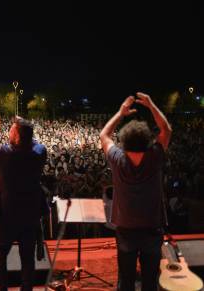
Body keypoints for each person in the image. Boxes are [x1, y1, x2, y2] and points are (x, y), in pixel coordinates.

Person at [100, 93, 172, 291]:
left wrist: (121, 113)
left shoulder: (117, 158)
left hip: (126, 229)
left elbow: (104, 135)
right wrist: (151, 104)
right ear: (148, 139)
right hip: (152, 227)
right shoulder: (155, 156)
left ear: (124, 140)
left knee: (126, 280)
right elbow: (166, 129)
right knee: (150, 281)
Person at [0, 113, 48, 291]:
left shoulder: (7, 153)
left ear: (18, 136)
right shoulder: (39, 152)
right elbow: (33, 143)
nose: (9, 132)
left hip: (7, 215)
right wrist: (26, 129)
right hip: (30, 214)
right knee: (27, 257)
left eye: (12, 130)